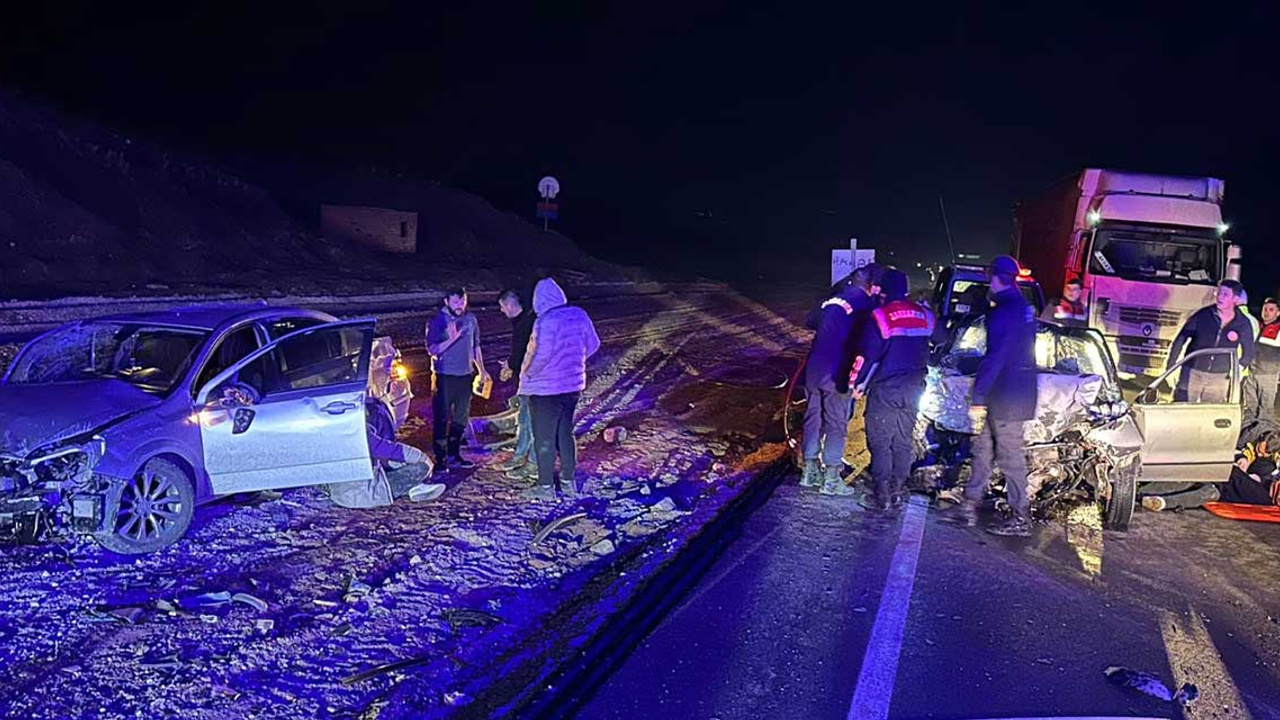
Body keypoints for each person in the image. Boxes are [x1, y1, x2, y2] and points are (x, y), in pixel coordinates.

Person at [954, 255, 1039, 537]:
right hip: (1010, 392)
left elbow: (997, 356)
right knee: (983, 448)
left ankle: (1020, 516)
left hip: (1007, 396)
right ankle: (971, 501)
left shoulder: (1005, 312)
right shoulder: (1021, 307)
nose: (988, 281)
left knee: (1009, 455)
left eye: (990, 276)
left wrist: (977, 396)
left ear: (996, 278)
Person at [853, 269, 935, 512]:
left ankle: (882, 494)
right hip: (914, 389)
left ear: (884, 291)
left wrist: (857, 384)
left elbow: (868, 356)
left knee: (880, 440)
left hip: (886, 389)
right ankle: (898, 490)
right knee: (902, 439)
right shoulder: (926, 315)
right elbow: (942, 339)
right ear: (907, 290)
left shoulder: (880, 317)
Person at [800, 263, 880, 495]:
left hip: (813, 370)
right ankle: (832, 479)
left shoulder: (832, 301)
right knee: (836, 423)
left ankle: (809, 471)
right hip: (838, 373)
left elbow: (811, 321)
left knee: (813, 419)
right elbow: (869, 340)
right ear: (871, 287)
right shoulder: (864, 305)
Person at [520, 278, 601, 501]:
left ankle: (545, 487)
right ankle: (568, 481)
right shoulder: (579, 314)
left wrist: (528, 373)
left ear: (539, 300)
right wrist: (573, 361)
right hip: (572, 387)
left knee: (544, 438)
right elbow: (594, 344)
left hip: (546, 390)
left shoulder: (545, 321)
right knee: (565, 433)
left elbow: (542, 355)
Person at [327, 402, 445, 508]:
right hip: (365, 494)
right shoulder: (363, 435)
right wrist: (423, 458)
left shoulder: (340, 431)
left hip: (340, 494)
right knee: (420, 468)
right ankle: (413, 487)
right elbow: (389, 449)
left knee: (393, 463)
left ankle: (416, 487)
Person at [426, 287, 488, 471]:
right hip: (444, 377)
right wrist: (452, 339)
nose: (460, 306)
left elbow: (475, 346)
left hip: (465, 376)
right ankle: (441, 458)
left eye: (463, 301)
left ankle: (455, 454)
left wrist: (482, 370)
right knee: (442, 418)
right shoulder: (437, 321)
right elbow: (432, 350)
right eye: (456, 302)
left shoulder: (470, 319)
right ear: (446, 302)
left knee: (461, 417)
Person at [1166, 280, 1254, 404]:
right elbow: (1181, 338)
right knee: (1182, 406)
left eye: (1225, 294)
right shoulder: (1203, 315)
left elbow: (1249, 351)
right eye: (1219, 293)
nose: (1219, 297)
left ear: (1235, 299)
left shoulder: (1243, 323)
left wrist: (1236, 369)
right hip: (1193, 371)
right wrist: (1171, 364)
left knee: (1211, 412)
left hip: (1220, 376)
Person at [1141, 443, 1280, 511]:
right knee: (1213, 489)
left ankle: (1146, 493)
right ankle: (1161, 501)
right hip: (1260, 482)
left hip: (1266, 495)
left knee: (1223, 473)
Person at [496, 288, 537, 478]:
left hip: (533, 381)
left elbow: (523, 353)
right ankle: (521, 455)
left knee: (530, 420)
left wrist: (510, 365)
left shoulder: (525, 324)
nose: (502, 311)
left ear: (510, 304)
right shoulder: (525, 321)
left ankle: (531, 462)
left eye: (502, 307)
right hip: (527, 380)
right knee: (524, 419)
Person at [1244, 298, 1280, 424]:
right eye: (1265, 309)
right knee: (1250, 407)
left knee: (1266, 409)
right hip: (1252, 373)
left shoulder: (1278, 329)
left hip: (1268, 375)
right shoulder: (1257, 325)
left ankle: (1265, 438)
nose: (1266, 312)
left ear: (1278, 313)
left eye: (1271, 310)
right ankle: (1249, 435)